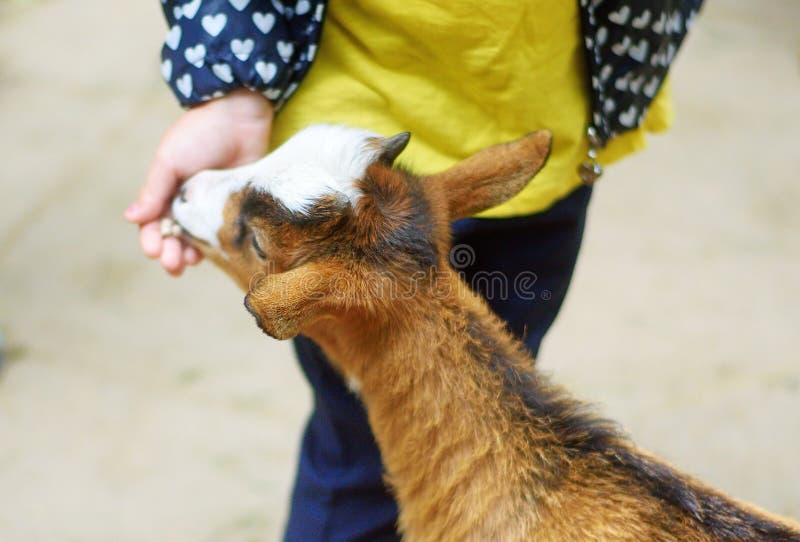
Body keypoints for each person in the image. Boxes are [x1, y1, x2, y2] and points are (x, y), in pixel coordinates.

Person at [126, 1, 703, 540]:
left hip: (552, 150)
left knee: (488, 411)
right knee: (362, 448)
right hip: (343, 131)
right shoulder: (311, 229)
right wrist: (232, 80)